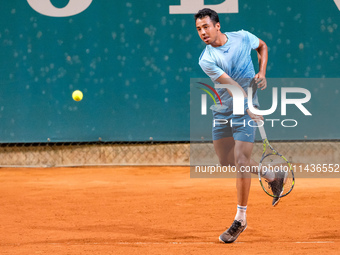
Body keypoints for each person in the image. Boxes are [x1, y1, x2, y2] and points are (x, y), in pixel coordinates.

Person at [194, 8, 285, 243]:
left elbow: (262, 46)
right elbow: (232, 86)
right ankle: (273, 176)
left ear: (217, 26)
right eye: (198, 29)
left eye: (206, 27)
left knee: (242, 161)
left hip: (245, 108)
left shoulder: (243, 37)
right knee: (226, 161)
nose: (203, 32)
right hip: (225, 109)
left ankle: (240, 219)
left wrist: (262, 72)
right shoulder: (206, 59)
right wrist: (248, 107)